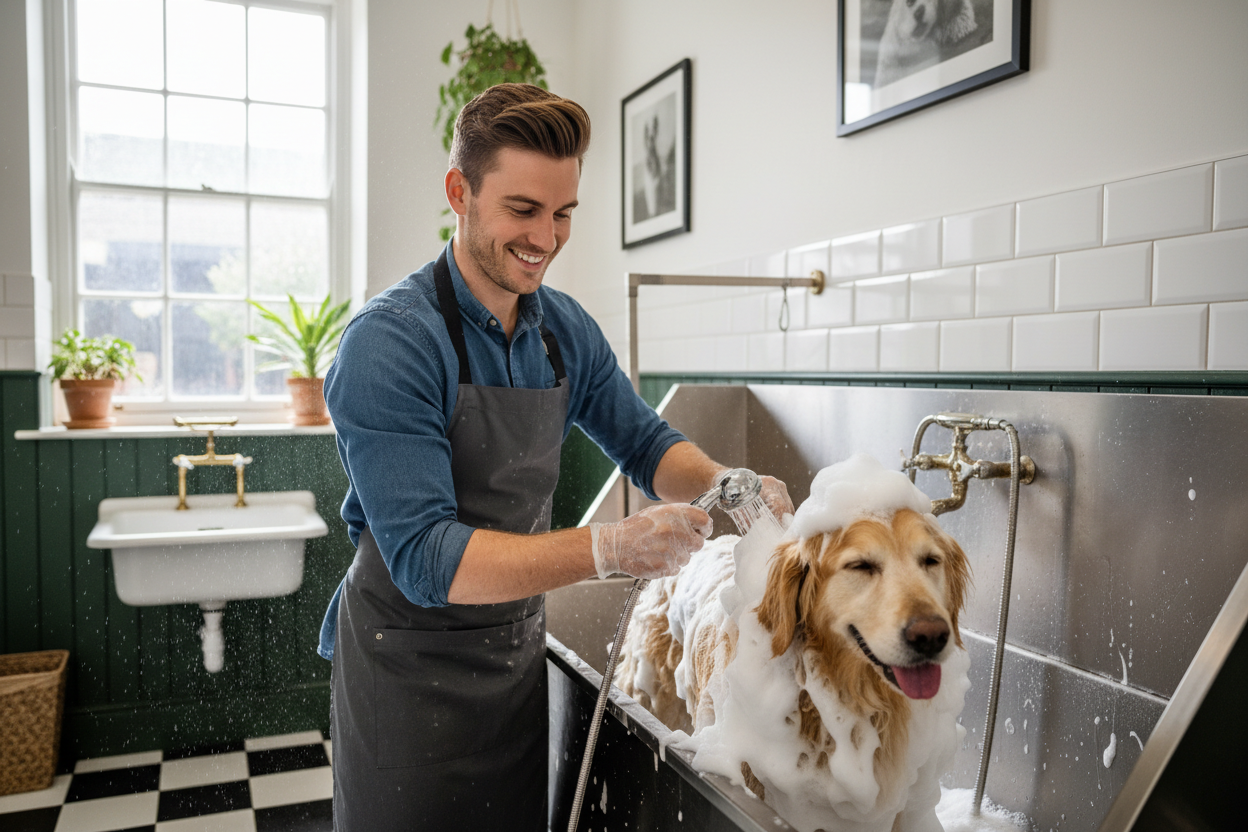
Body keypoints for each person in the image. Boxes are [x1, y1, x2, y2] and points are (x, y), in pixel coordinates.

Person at [318, 83, 792, 831]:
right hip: (404, 674)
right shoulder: (390, 343)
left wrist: (726, 486)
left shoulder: (561, 329)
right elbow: (426, 559)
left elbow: (643, 441)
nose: (547, 236)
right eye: (523, 209)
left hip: (511, 665)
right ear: (459, 192)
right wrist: (610, 548)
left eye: (563, 212)